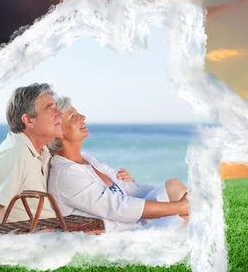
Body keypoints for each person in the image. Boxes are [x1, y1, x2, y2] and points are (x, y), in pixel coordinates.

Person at [47, 96, 190, 232]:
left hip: (133, 222)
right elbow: (117, 207)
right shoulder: (66, 173)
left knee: (174, 187)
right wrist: (177, 208)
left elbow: (127, 188)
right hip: (122, 234)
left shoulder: (87, 159)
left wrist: (184, 200)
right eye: (73, 116)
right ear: (57, 131)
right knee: (189, 218)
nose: (82, 117)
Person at [0, 83, 63, 225]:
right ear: (29, 120)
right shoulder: (14, 154)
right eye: (50, 108)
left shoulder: (42, 151)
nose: (59, 113)